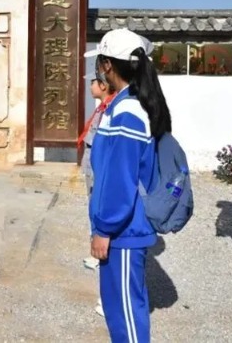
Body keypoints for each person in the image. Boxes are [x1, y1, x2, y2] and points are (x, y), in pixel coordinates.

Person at [85, 28, 171, 343]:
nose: (97, 69)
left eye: (99, 62)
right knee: (117, 309)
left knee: (126, 314)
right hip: (122, 227)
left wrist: (104, 228)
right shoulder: (124, 105)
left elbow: (120, 179)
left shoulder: (128, 112)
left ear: (108, 65)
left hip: (123, 230)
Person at [78, 71, 117, 273]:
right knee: (93, 205)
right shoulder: (102, 107)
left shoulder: (110, 109)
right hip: (92, 165)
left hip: (98, 169)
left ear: (103, 85)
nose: (90, 86)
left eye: (93, 82)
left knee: (98, 206)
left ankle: (99, 251)